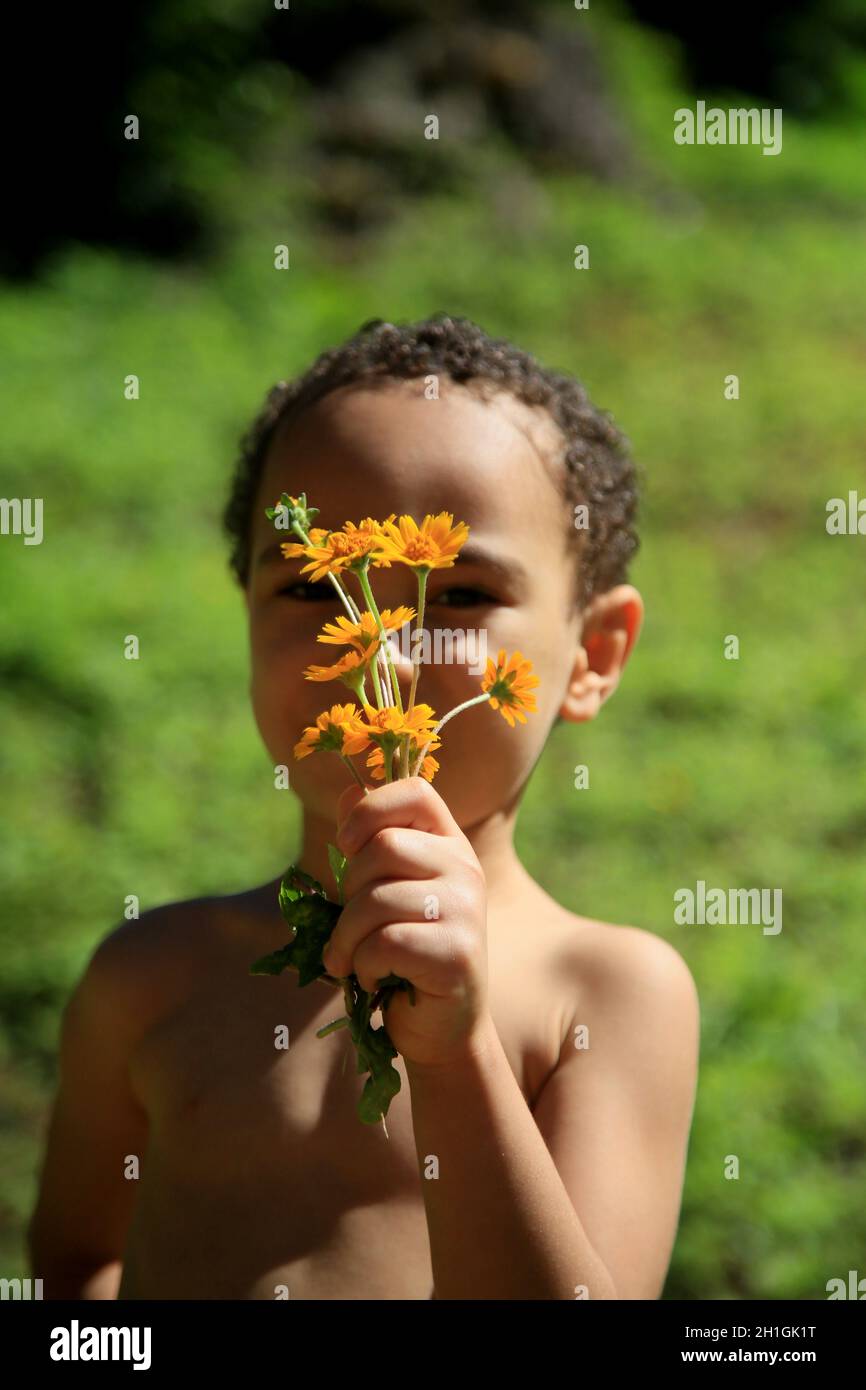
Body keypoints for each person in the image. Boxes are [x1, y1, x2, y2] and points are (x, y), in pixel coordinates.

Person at [27, 314, 699, 1300]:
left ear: (591, 655)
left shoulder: (602, 998)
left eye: (457, 595)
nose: (382, 646)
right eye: (315, 587)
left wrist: (457, 1053)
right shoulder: (148, 975)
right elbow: (76, 1266)